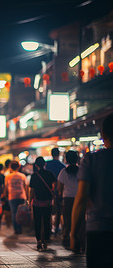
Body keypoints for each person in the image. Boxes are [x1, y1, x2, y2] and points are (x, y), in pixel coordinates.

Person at [72, 113, 113, 266]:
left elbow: (82, 198)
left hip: (98, 229)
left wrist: (74, 233)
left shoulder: (91, 160)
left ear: (103, 135)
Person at [29, 157, 56, 251]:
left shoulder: (34, 176)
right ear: (45, 164)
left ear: (36, 165)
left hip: (37, 202)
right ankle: (46, 240)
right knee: (46, 221)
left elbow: (32, 191)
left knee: (37, 222)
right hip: (48, 202)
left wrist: (29, 202)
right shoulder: (50, 174)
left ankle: (39, 240)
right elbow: (54, 187)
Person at [57, 150, 80, 248]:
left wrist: (59, 198)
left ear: (66, 159)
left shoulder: (63, 172)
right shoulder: (81, 171)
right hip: (79, 199)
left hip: (67, 199)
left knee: (67, 220)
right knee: (79, 220)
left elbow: (59, 188)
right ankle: (79, 242)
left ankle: (68, 239)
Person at [4, 161, 28, 235]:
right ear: (18, 167)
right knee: (21, 212)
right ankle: (20, 228)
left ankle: (16, 229)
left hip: (12, 196)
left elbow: (6, 187)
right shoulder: (22, 176)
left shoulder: (8, 176)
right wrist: (27, 197)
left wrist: (6, 196)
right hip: (22, 196)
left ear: (10, 167)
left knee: (14, 213)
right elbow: (26, 186)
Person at [46, 147, 65, 234]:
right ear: (59, 154)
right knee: (58, 210)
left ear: (51, 154)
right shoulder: (62, 166)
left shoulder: (47, 164)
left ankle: (49, 227)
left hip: (47, 190)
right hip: (58, 191)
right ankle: (56, 228)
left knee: (48, 210)